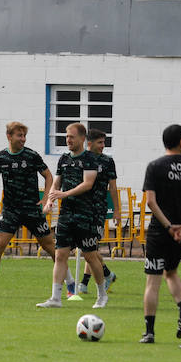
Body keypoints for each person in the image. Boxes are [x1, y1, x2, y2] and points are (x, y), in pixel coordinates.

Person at [0, 121, 56, 298]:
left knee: (50, 246)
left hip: (31, 209)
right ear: (9, 136)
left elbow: (48, 176)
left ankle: (69, 284)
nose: (23, 139)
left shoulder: (31, 155)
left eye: (24, 136)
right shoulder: (0, 157)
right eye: (19, 135)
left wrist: (45, 199)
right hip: (10, 210)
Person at [138, 124, 181, 344]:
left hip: (159, 231)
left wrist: (168, 226)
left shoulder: (154, 166)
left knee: (152, 281)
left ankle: (149, 332)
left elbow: (151, 202)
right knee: (171, 272)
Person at [39, 122, 108, 309]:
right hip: (66, 214)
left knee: (90, 255)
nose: (68, 139)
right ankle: (55, 298)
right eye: (66, 136)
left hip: (87, 214)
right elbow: (57, 183)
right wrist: (50, 200)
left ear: (82, 138)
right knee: (60, 254)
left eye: (72, 136)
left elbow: (88, 183)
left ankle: (102, 295)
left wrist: (65, 194)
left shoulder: (91, 159)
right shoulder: (63, 159)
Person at [75, 128, 118, 297]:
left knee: (89, 247)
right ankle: (106, 275)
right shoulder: (80, 159)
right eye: (100, 142)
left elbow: (113, 187)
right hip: (80, 208)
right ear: (89, 143)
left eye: (104, 142)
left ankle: (89, 281)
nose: (103, 146)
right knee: (87, 247)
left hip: (98, 210)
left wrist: (117, 210)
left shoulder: (108, 161)